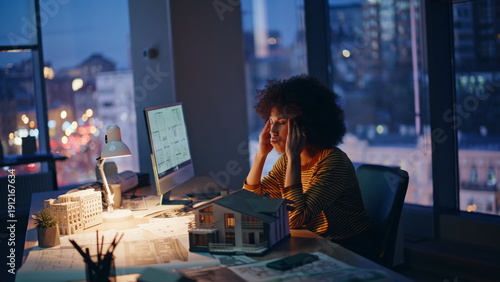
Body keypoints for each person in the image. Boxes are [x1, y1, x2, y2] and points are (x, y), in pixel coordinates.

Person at [243, 74, 373, 251]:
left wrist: (294, 157)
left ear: (306, 126)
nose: (272, 130)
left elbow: (294, 219)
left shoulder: (334, 162)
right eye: (270, 121)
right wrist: (261, 155)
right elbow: (250, 201)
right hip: (312, 241)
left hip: (346, 247)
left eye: (281, 122)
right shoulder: (286, 162)